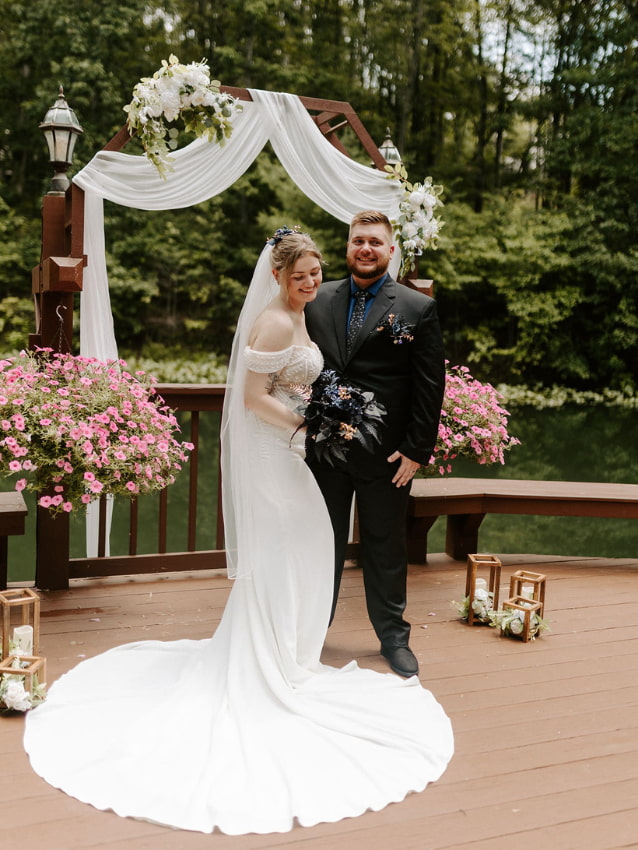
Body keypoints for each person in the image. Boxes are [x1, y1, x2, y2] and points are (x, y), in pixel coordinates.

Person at [23, 229, 453, 835]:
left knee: (341, 545)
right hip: (288, 448)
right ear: (280, 275)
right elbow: (255, 395)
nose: (313, 280)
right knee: (300, 546)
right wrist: (316, 423)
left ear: (388, 249)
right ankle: (280, 649)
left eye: (318, 270)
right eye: (303, 272)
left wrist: (404, 443)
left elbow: (424, 382)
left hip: (347, 450)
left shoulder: (387, 307)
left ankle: (359, 637)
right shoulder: (293, 313)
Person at [305, 210, 446, 679]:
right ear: (347, 247)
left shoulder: (416, 308)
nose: (365, 249)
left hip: (386, 456)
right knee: (317, 544)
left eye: (375, 242)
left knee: (385, 546)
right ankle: (308, 631)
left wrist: (416, 450)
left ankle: (393, 639)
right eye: (358, 241)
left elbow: (430, 385)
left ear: (390, 250)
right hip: (321, 452)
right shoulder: (315, 299)